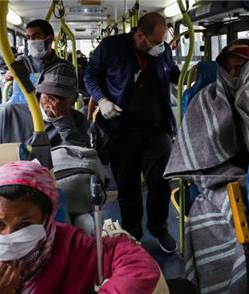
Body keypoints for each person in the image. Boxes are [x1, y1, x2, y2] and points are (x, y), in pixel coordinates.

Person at [0, 160, 162, 293]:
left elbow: (138, 266)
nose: (8, 235)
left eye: (24, 224)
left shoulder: (73, 248)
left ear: (47, 219)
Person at [163, 39, 249, 292]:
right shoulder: (203, 99)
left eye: (240, 68)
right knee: (238, 219)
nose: (233, 73)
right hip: (214, 178)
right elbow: (198, 152)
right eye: (229, 67)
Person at [83, 12, 180, 252]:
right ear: (139, 34)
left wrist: (191, 75)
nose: (160, 47)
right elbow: (90, 75)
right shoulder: (111, 48)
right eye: (156, 42)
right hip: (120, 131)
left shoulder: (163, 51)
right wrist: (102, 100)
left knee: (160, 182)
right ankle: (132, 232)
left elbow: (173, 72)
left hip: (156, 130)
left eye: (162, 42)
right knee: (127, 188)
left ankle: (159, 227)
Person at [0, 63, 89, 148]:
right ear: (38, 95)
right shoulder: (9, 113)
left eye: (61, 98)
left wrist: (65, 123)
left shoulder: (79, 121)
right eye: (48, 96)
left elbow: (80, 161)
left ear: (73, 101)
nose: (54, 103)